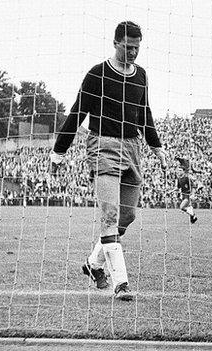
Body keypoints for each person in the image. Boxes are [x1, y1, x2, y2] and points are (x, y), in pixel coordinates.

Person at [51, 21, 167, 300]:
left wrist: (156, 146)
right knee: (110, 216)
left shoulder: (141, 75)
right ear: (115, 43)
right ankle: (121, 284)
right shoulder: (97, 74)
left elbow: (145, 113)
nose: (132, 53)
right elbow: (77, 112)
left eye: (137, 48)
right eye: (128, 47)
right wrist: (58, 151)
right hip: (102, 146)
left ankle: (93, 264)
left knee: (127, 216)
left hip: (133, 148)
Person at [176, 157, 198, 224]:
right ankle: (192, 217)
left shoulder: (187, 178)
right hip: (183, 196)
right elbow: (178, 187)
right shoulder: (179, 178)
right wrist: (171, 191)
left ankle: (192, 214)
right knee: (185, 208)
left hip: (187, 197)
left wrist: (193, 194)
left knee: (182, 207)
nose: (178, 171)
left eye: (180, 170)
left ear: (183, 171)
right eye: (178, 170)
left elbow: (194, 186)